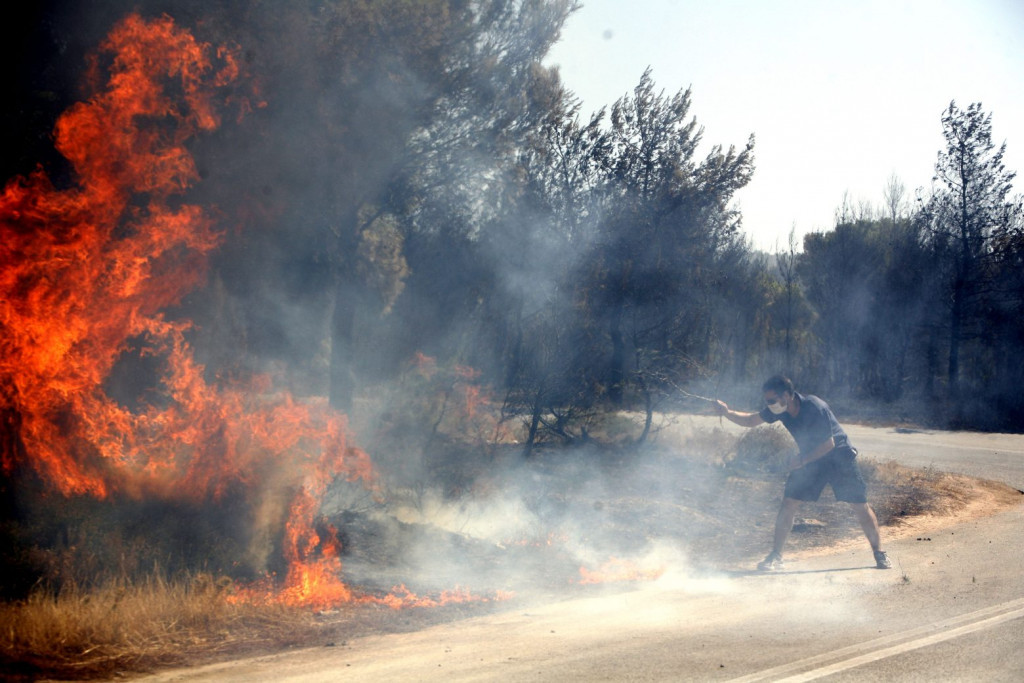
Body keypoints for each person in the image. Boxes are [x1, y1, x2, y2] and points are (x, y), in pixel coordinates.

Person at [714, 375, 891, 571]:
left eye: (772, 400)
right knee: (789, 502)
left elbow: (828, 444)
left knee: (859, 505)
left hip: (839, 457)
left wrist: (800, 461)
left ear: (787, 395)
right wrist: (727, 412)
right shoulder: (780, 410)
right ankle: (776, 556)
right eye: (767, 401)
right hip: (811, 459)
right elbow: (751, 420)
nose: (769, 404)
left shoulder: (815, 407)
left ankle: (879, 553)